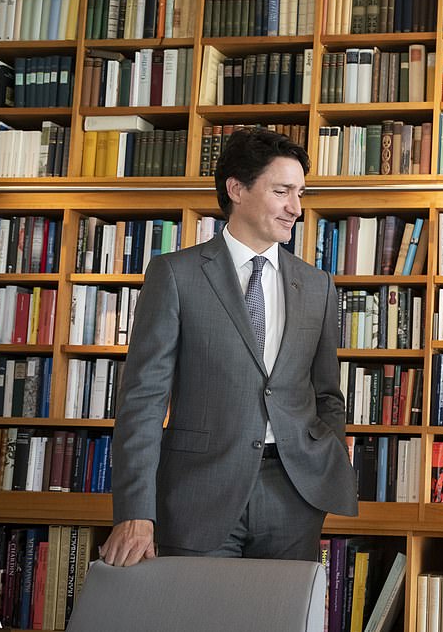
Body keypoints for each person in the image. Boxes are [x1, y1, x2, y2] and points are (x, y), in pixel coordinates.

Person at [100, 128, 358, 567]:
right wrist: (135, 512)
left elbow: (327, 395)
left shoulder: (317, 285)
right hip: (197, 494)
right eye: (281, 191)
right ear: (236, 189)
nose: (296, 208)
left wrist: (322, 458)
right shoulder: (175, 275)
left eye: (299, 193)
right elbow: (143, 401)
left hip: (294, 494)